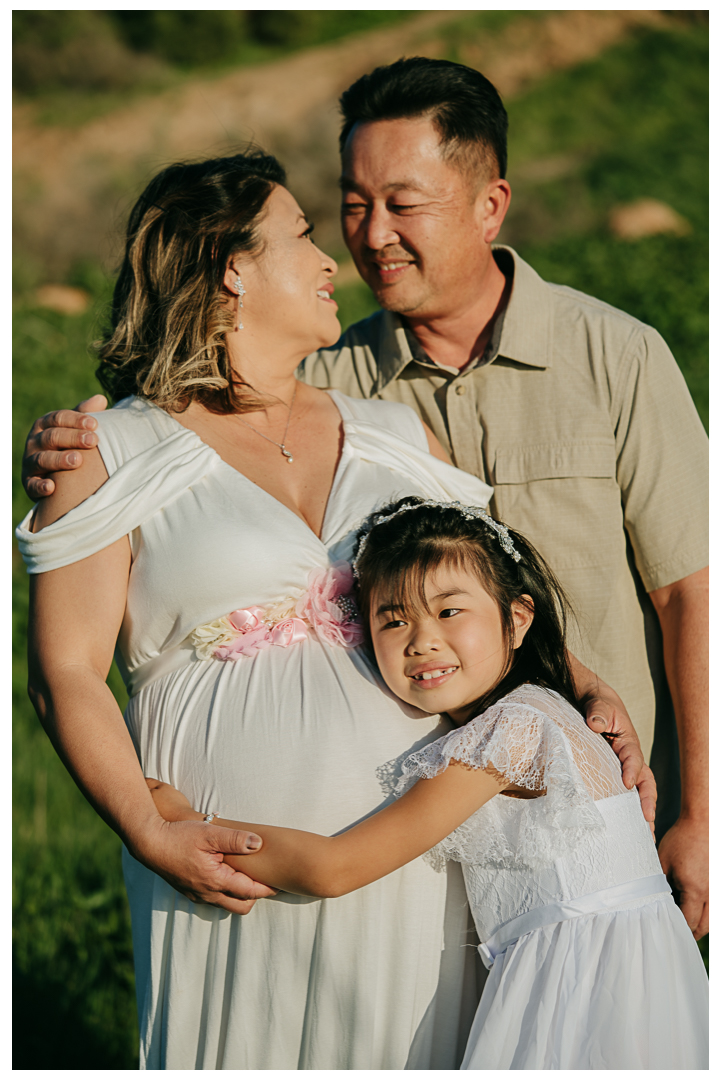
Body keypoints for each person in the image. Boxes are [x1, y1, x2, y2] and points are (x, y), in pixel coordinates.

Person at [22, 60, 708, 940]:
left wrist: (700, 808)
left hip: (598, 812)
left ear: (489, 205)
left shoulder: (615, 354)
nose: (366, 236)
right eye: (348, 206)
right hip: (362, 871)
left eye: (402, 202)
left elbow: (692, 589)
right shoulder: (330, 370)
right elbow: (186, 426)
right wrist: (68, 449)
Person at [146, 497, 709, 1069]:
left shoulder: (515, 730)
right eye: (393, 620)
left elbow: (336, 867)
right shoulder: (538, 709)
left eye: (448, 612)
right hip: (623, 976)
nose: (421, 640)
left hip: (585, 994)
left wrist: (185, 824)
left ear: (518, 618)